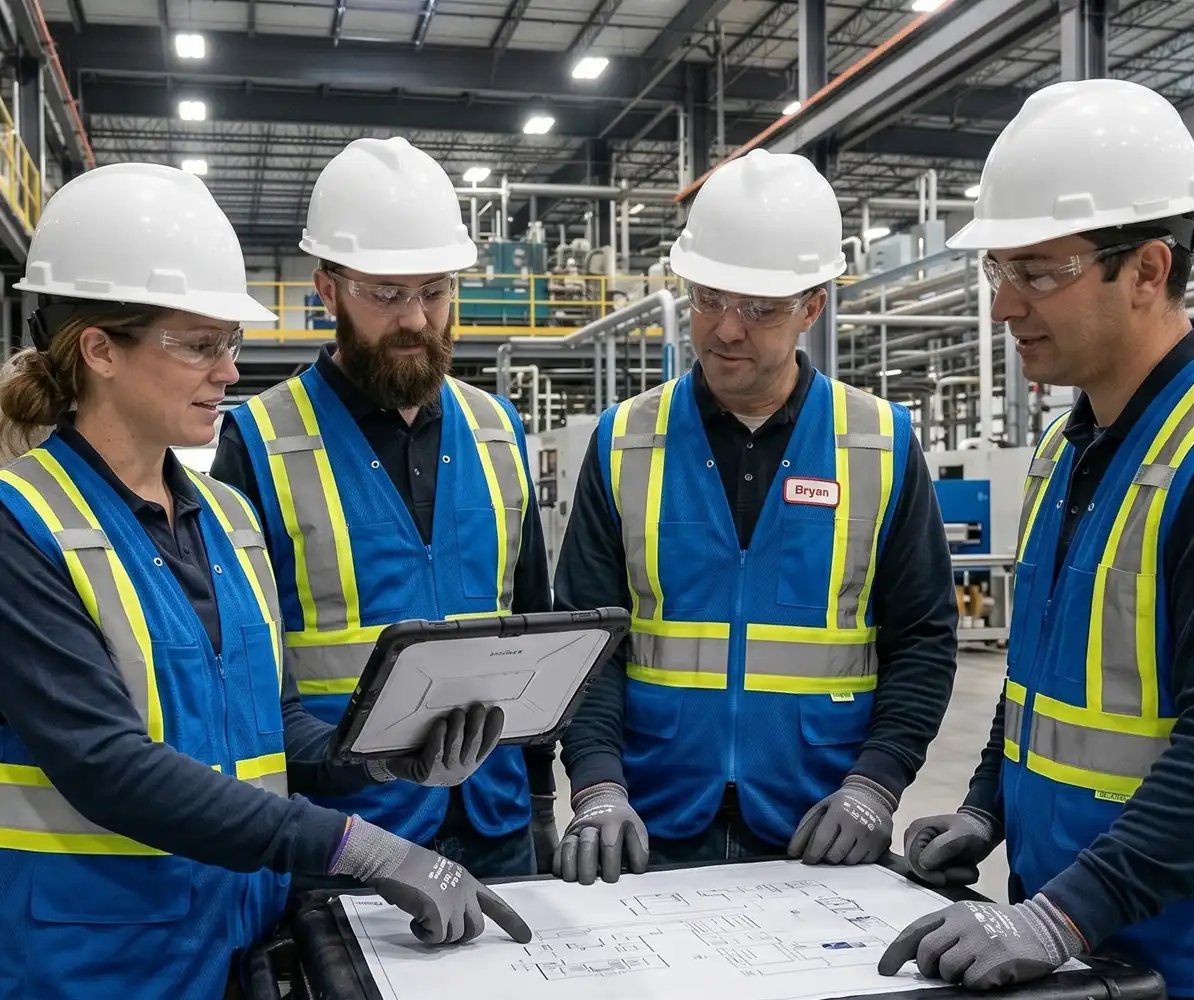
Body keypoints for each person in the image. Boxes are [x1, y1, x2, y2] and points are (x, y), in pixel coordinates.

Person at [0, 163, 530, 1000]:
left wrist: (390, 761)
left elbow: (279, 728)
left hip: (243, 941)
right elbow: (105, 762)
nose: (227, 372)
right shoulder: (20, 525)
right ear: (100, 348)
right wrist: (359, 847)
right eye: (200, 345)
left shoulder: (224, 517)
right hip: (99, 958)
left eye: (232, 345)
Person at [551, 148, 959, 885]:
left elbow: (923, 640)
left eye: (760, 309)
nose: (726, 330)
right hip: (649, 826)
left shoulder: (880, 443)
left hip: (822, 827)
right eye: (709, 298)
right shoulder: (623, 441)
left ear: (813, 306)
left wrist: (875, 785)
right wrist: (596, 785)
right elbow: (583, 641)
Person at [877, 79, 1194, 997]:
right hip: (1068, 946)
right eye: (998, 272)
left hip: (1171, 959)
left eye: (1040, 272)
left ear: (1146, 270)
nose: (1004, 307)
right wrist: (987, 808)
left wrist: (1060, 915)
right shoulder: (1066, 449)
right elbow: (1036, 680)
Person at [211, 136, 557, 880]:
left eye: (433, 291)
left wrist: (540, 800)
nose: (415, 320)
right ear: (328, 289)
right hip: (346, 834)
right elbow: (245, 674)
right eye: (386, 294)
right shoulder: (259, 441)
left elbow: (533, 617)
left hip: (494, 819)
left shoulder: (499, 429)